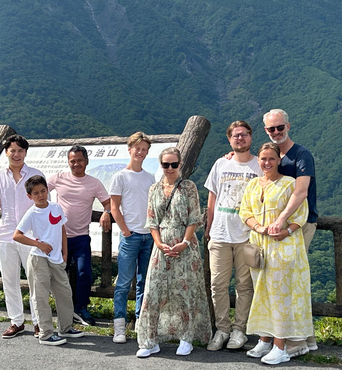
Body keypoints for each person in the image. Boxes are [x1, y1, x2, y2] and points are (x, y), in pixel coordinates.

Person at [240, 142, 313, 365]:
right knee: (261, 293)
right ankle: (264, 339)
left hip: (284, 247)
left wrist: (286, 230)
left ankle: (280, 346)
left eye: (272, 158)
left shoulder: (289, 184)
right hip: (259, 246)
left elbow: (301, 214)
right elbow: (245, 212)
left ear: (279, 160)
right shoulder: (252, 184)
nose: (267, 163)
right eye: (263, 159)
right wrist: (259, 228)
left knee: (280, 295)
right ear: (258, 160)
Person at [135, 147, 212, 357]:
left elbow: (194, 218)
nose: (170, 168)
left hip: (185, 246)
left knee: (185, 291)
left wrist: (185, 242)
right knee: (153, 292)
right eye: (166, 164)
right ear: (161, 165)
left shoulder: (188, 187)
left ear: (180, 165)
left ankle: (186, 337)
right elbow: (152, 221)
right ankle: (150, 339)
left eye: (174, 164)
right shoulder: (154, 189)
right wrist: (158, 244)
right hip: (161, 246)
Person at [263, 108, 318, 355]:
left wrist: (282, 220)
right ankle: (291, 339)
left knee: (294, 281)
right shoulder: (272, 155)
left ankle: (298, 342)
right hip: (277, 229)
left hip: (299, 225)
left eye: (279, 127)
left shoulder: (302, 155)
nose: (276, 132)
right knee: (281, 283)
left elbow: (301, 191)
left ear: (288, 126)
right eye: (271, 129)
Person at [204, 121, 259, 351]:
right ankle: (222, 329)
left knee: (244, 286)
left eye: (244, 135)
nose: (240, 138)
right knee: (218, 285)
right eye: (236, 135)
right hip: (220, 233)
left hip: (247, 235)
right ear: (229, 139)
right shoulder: (220, 164)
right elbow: (212, 197)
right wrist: (208, 227)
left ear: (251, 137)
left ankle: (239, 330)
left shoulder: (260, 165)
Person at [13, 175, 84, 346]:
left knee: (65, 293)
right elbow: (17, 235)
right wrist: (38, 244)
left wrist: (65, 253)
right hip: (38, 259)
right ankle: (45, 333)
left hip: (57, 258)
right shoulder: (31, 213)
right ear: (29, 196)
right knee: (41, 296)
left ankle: (65, 328)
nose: (41, 195)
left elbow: (62, 231)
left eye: (43, 191)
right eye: (36, 193)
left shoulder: (56, 207)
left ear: (47, 190)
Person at [47, 145, 112, 326]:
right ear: (68, 162)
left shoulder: (94, 183)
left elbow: (108, 202)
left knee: (84, 272)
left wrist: (107, 212)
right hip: (59, 236)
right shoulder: (59, 178)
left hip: (81, 236)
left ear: (86, 161)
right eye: (72, 161)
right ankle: (63, 309)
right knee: (58, 272)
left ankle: (80, 308)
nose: (76, 164)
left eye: (79, 161)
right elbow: (40, 192)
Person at [0, 134, 41, 339]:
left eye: (20, 150)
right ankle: (16, 321)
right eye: (13, 150)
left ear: (25, 152)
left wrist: (43, 235)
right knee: (9, 280)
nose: (16, 154)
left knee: (35, 280)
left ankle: (38, 322)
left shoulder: (35, 174)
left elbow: (44, 205)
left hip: (31, 236)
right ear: (6, 152)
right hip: (6, 235)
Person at [109, 132, 156, 343]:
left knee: (144, 282)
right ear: (130, 149)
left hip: (148, 236)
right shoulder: (120, 176)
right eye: (137, 148)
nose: (140, 152)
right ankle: (119, 325)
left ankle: (140, 322)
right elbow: (114, 208)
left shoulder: (150, 177)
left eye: (144, 149)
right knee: (123, 283)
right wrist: (126, 231)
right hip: (131, 237)